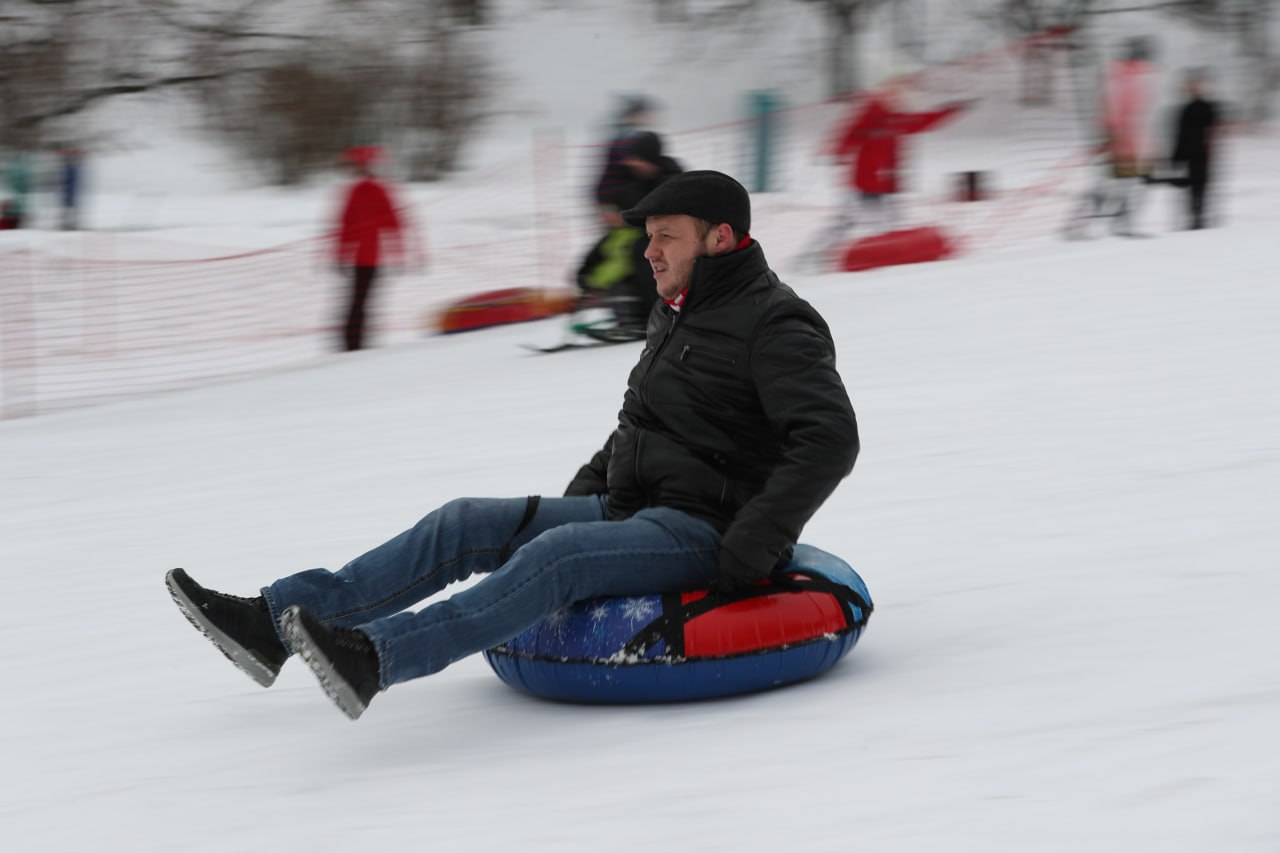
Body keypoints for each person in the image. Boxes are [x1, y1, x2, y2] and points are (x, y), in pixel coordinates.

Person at [165, 170, 860, 720]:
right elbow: (640, 422)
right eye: (648, 235)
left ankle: (375, 657)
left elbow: (829, 439)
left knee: (554, 557)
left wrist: (755, 541)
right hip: (638, 509)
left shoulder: (777, 321)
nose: (648, 251)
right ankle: (270, 621)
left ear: (719, 238)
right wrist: (590, 493)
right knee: (465, 519)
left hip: (707, 528)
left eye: (665, 236)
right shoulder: (676, 311)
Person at [811, 78, 968, 257]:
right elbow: (849, 132)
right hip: (866, 181)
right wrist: (837, 154)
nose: (903, 100)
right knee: (856, 221)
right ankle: (818, 253)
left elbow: (924, 120)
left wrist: (951, 111)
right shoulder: (871, 113)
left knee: (886, 221)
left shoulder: (899, 117)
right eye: (898, 95)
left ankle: (885, 255)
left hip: (889, 183)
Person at [576, 131, 682, 335]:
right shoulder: (636, 181)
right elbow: (623, 203)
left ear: (649, 159)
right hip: (640, 235)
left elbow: (667, 219)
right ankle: (633, 313)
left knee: (640, 250)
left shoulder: (671, 180)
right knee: (608, 249)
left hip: (674, 242)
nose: (631, 163)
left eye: (636, 159)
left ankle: (660, 313)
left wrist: (625, 218)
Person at [1065, 38, 1159, 239]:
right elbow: (1117, 108)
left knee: (1122, 184)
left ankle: (1112, 224)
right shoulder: (1127, 75)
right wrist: (1113, 133)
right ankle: (1080, 225)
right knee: (1113, 185)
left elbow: (1136, 112)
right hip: (1121, 142)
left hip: (1127, 142)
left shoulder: (1128, 73)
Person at [333, 145, 403, 351]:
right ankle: (355, 344)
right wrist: (397, 254)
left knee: (357, 301)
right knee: (361, 301)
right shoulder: (379, 190)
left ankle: (352, 343)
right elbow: (393, 224)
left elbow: (345, 227)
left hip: (361, 258)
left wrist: (341, 256)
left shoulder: (356, 191)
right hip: (371, 258)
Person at [1166, 69, 1220, 230]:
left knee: (1199, 187)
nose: (1192, 88)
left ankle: (1198, 218)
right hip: (1188, 154)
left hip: (1201, 153)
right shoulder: (1184, 110)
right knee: (1190, 188)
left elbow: (1213, 130)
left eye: (1195, 85)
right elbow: (1179, 135)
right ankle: (1194, 218)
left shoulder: (1207, 108)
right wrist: (1175, 157)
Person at [594, 94, 656, 208]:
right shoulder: (624, 140)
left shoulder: (631, 136)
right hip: (619, 201)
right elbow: (612, 173)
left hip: (623, 199)